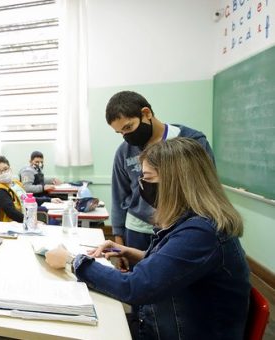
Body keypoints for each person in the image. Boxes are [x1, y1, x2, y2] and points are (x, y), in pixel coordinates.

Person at [45, 137, 249, 340]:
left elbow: (136, 287)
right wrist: (129, 252)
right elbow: (174, 267)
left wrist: (72, 260)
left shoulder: (200, 233)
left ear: (174, 183)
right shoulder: (194, 222)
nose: (142, 185)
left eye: (148, 178)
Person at [106, 91, 215, 251]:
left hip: (181, 229)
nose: (126, 136)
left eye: (128, 127)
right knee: (138, 273)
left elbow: (207, 189)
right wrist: (118, 238)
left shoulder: (192, 141)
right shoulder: (124, 152)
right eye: (120, 132)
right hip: (138, 229)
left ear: (146, 113)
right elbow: (119, 195)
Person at [0, 156, 59, 222]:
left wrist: (50, 200)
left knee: (53, 218)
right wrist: (31, 221)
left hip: (25, 219)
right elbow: (12, 213)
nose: (3, 173)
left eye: (5, 169)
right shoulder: (1, 191)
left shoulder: (15, 184)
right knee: (52, 221)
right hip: (14, 226)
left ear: (10, 169)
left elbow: (27, 199)